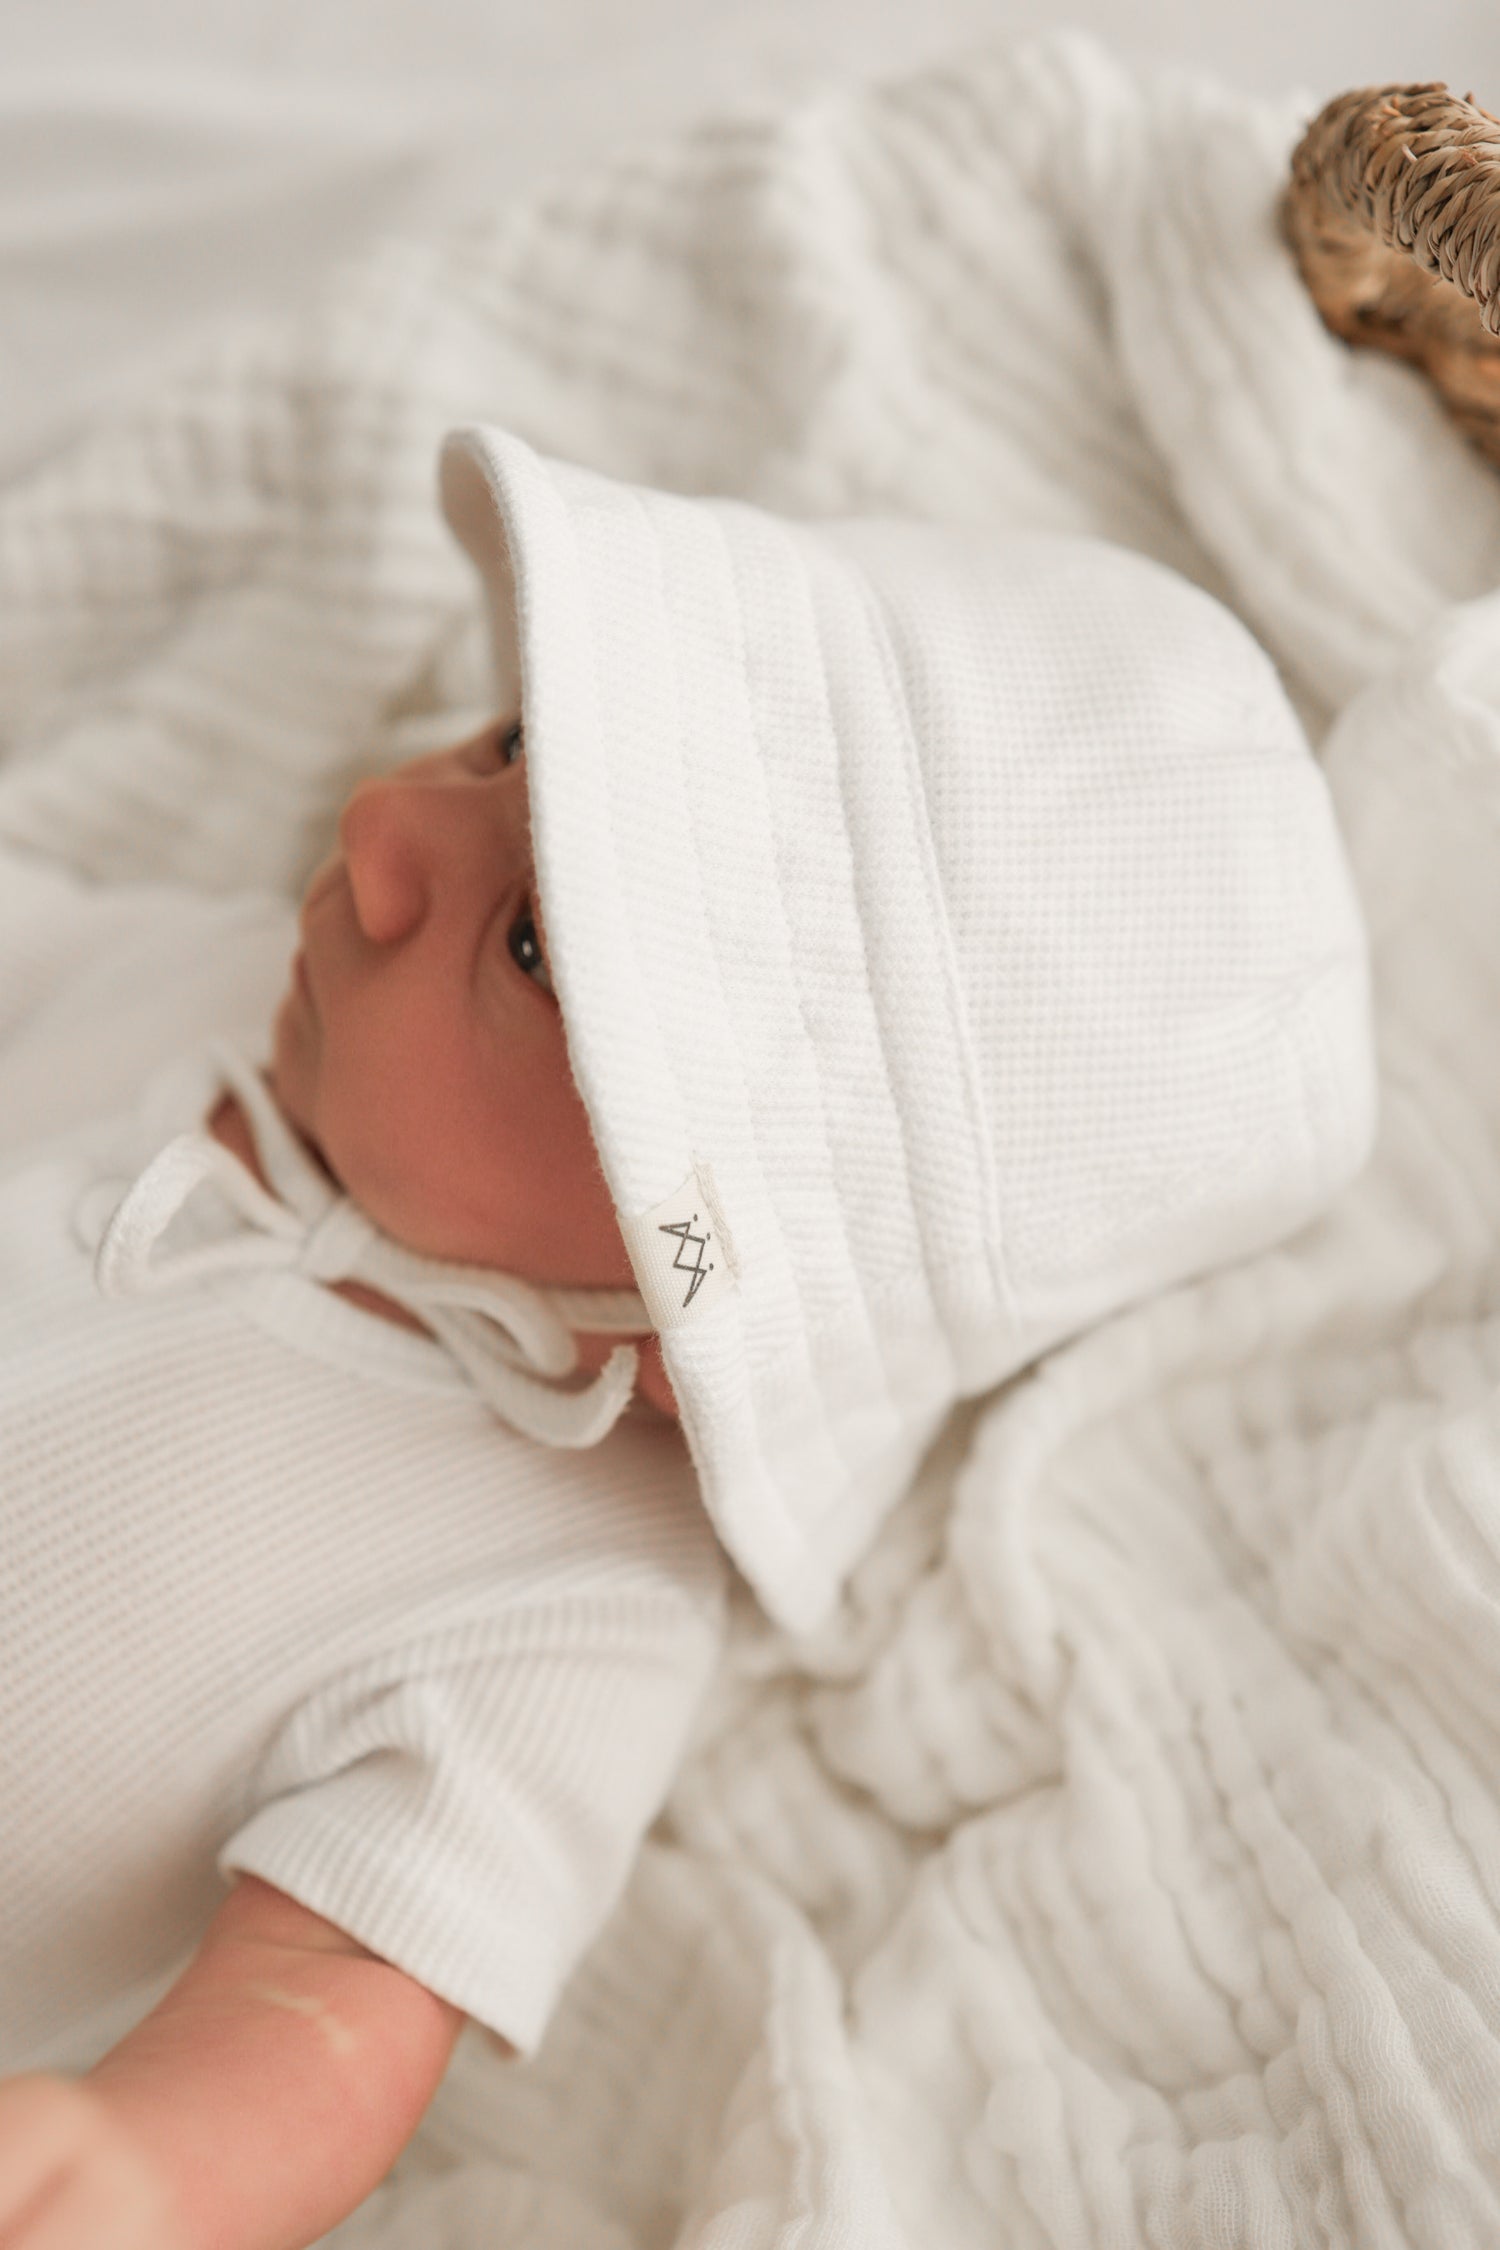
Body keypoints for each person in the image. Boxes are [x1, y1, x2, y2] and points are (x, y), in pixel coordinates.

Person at [0, 424, 1378, 2249]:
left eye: (530, 948)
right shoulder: (214, 980)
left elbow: (337, 1983)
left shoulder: (561, 1597)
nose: (385, 827)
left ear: (681, 1303)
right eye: (505, 750)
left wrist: (155, 2165)